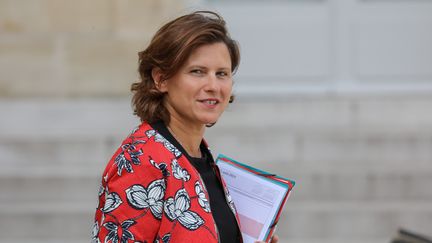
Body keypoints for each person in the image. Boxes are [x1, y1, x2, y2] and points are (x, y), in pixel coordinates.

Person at [92, 11, 279, 243]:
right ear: (161, 79)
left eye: (222, 74)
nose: (213, 85)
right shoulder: (140, 161)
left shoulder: (202, 159)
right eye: (197, 72)